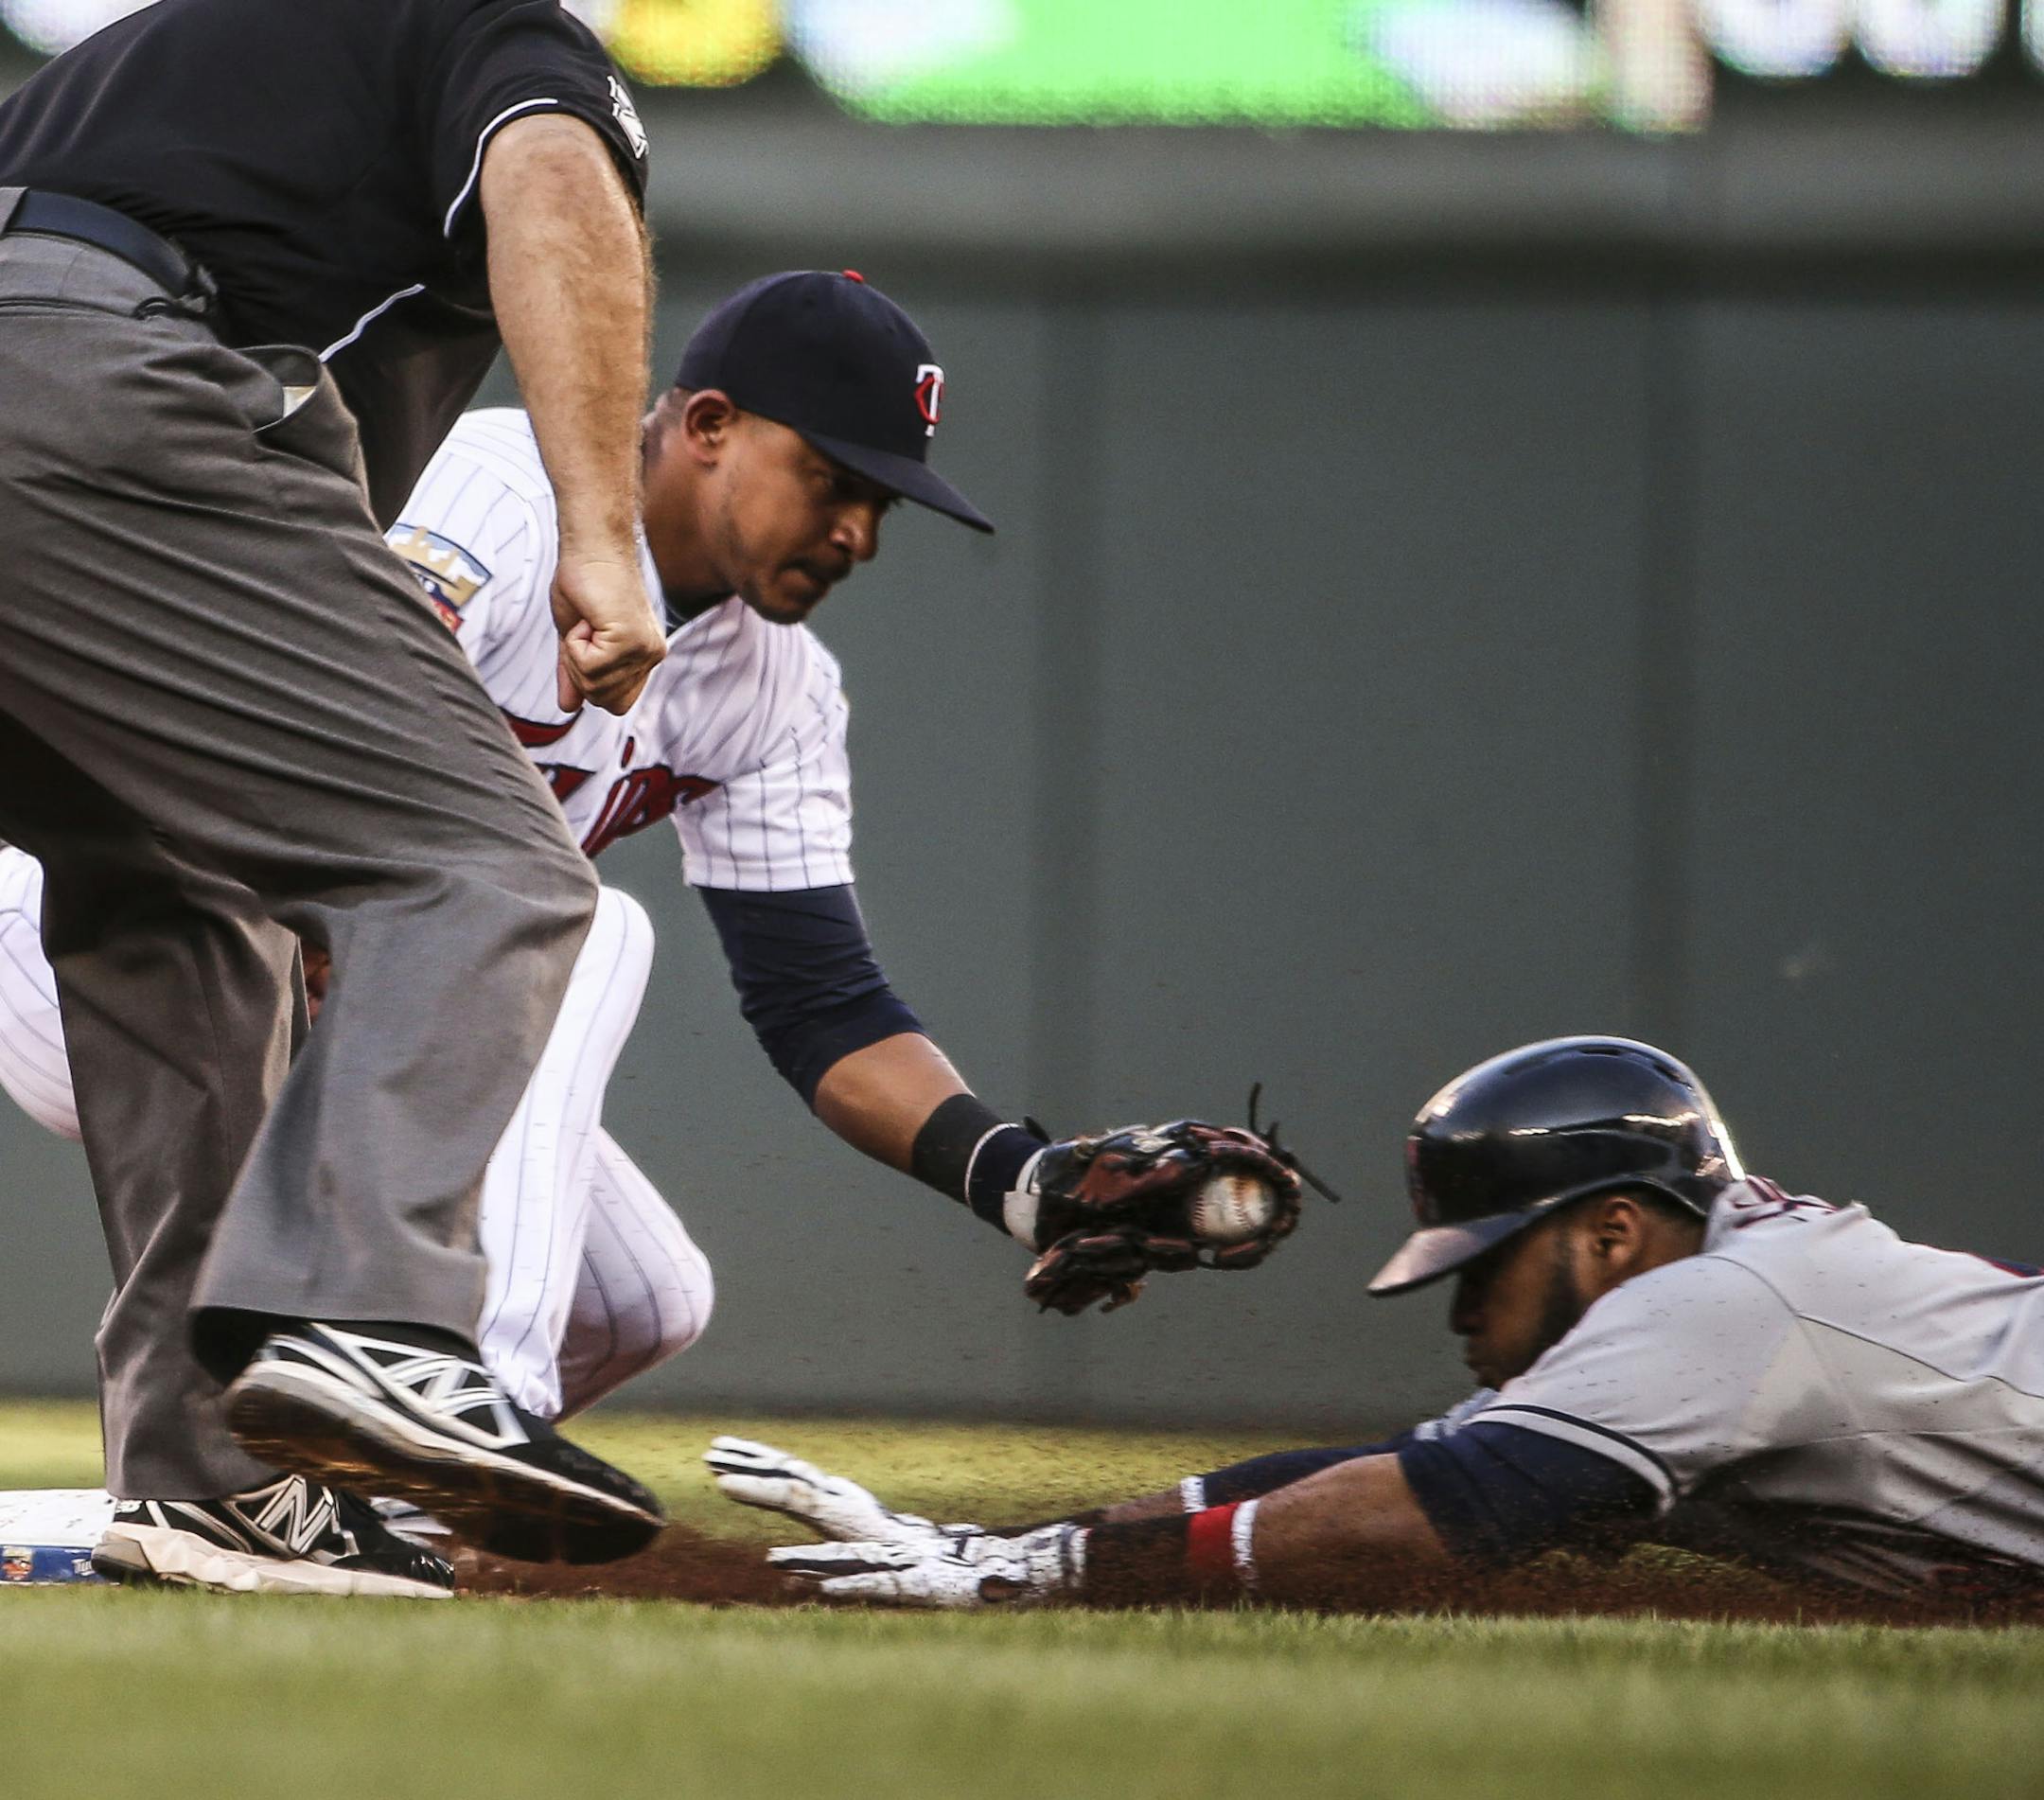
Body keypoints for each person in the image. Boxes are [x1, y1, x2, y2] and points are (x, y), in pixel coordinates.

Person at [0, 270, 1310, 1581]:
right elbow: (283, 728)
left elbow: (821, 1001)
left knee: (643, 1299)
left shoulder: (775, 689)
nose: (857, 531)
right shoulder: (499, 489)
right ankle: (449, 1418)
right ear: (709, 425)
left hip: (359, 991)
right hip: (129, 928)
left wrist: (1017, 1177)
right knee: (575, 929)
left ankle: (252, 1506)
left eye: (882, 503)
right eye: (833, 479)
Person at [0, 0, 673, 1597]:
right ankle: (369, 1314)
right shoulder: (497, 30)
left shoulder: (175, 61)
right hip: (92, 384)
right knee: (485, 867)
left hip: (58, 382)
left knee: (176, 906)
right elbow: (553, 173)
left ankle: (214, 1482)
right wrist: (602, 526)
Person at [722, 1036, 2044, 1614]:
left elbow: (1422, 1513)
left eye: (1486, 1264)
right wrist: (998, 1546)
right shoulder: (1718, 1285)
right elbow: (1393, 1469)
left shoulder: (1715, 1305)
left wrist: (1045, 1574)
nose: (1464, 1311)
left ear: (1613, 1231)